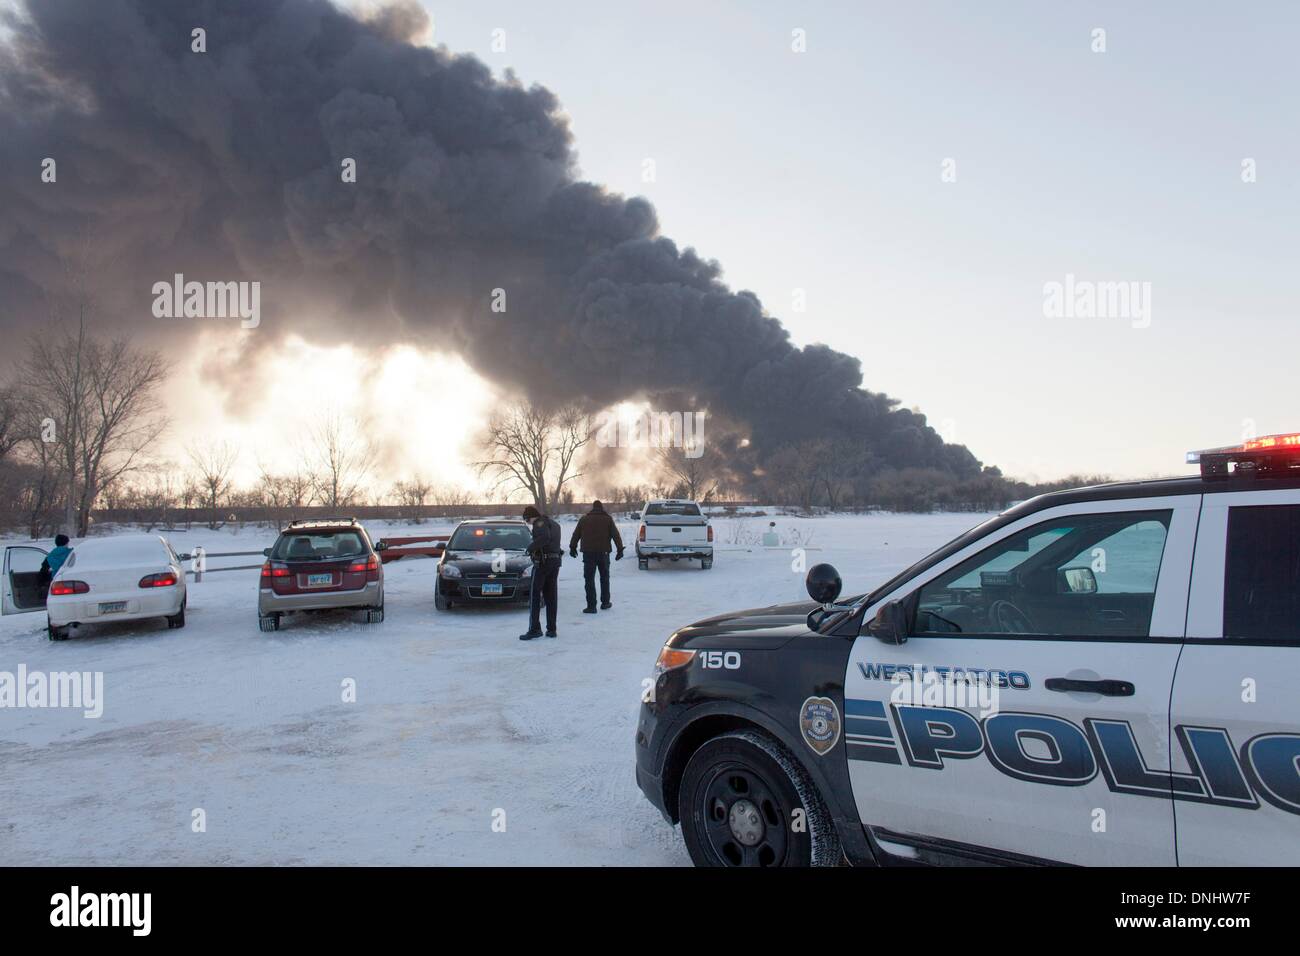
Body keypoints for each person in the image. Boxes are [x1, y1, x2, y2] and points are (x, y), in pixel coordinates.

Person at [569, 500, 624, 613]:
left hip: (588, 554)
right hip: (603, 553)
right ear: (602, 507)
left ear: (593, 508)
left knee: (589, 579)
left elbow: (576, 534)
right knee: (604, 578)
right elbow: (615, 535)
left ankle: (591, 606)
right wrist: (619, 549)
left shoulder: (584, 519)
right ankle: (605, 603)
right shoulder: (607, 519)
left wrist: (572, 547)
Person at [519, 505, 563, 640]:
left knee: (535, 595)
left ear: (531, 516)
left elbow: (545, 538)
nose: (528, 523)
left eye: (527, 520)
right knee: (551, 597)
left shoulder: (539, 523)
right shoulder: (555, 524)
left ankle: (534, 629)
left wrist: (530, 548)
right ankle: (551, 630)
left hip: (543, 564)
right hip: (555, 563)